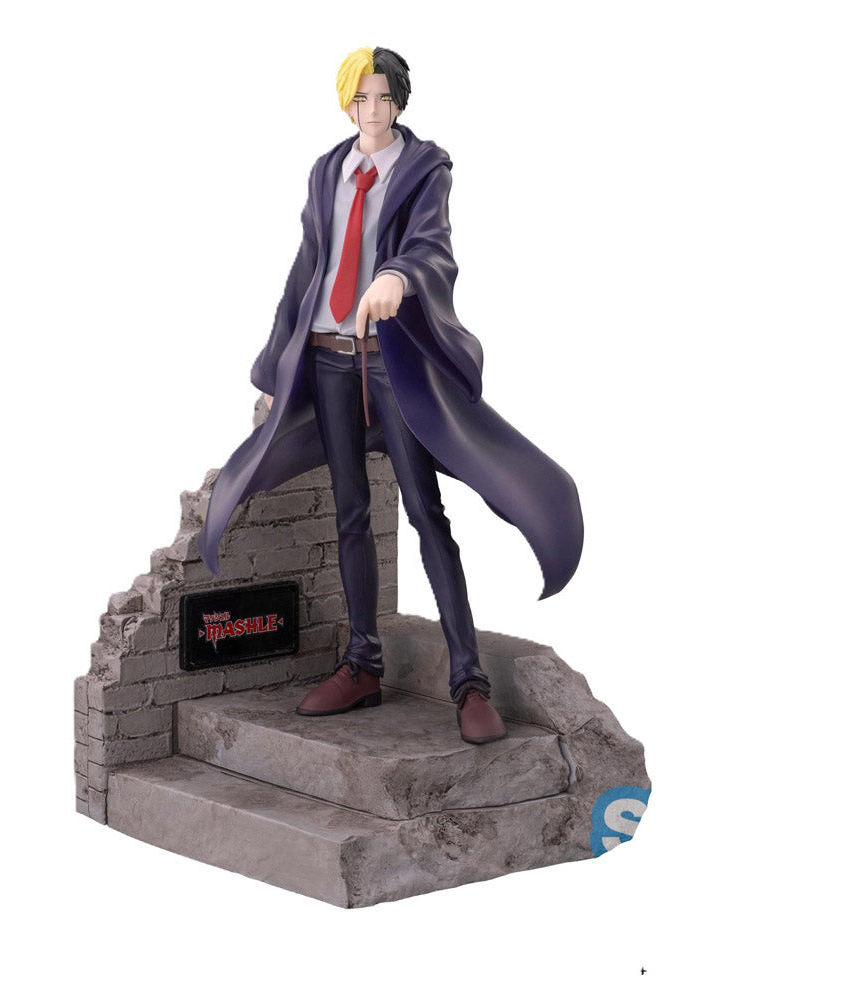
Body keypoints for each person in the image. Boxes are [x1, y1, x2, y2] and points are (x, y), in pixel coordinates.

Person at [198, 46, 584, 744]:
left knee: (425, 512)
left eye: (383, 97)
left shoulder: (424, 169)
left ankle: (469, 681)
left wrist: (398, 277)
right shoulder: (328, 170)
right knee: (350, 511)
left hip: (391, 362)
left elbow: (435, 247)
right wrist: (276, 363)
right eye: (361, 98)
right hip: (328, 357)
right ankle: (362, 664)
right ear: (346, 103)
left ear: (399, 101)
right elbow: (308, 264)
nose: (372, 111)